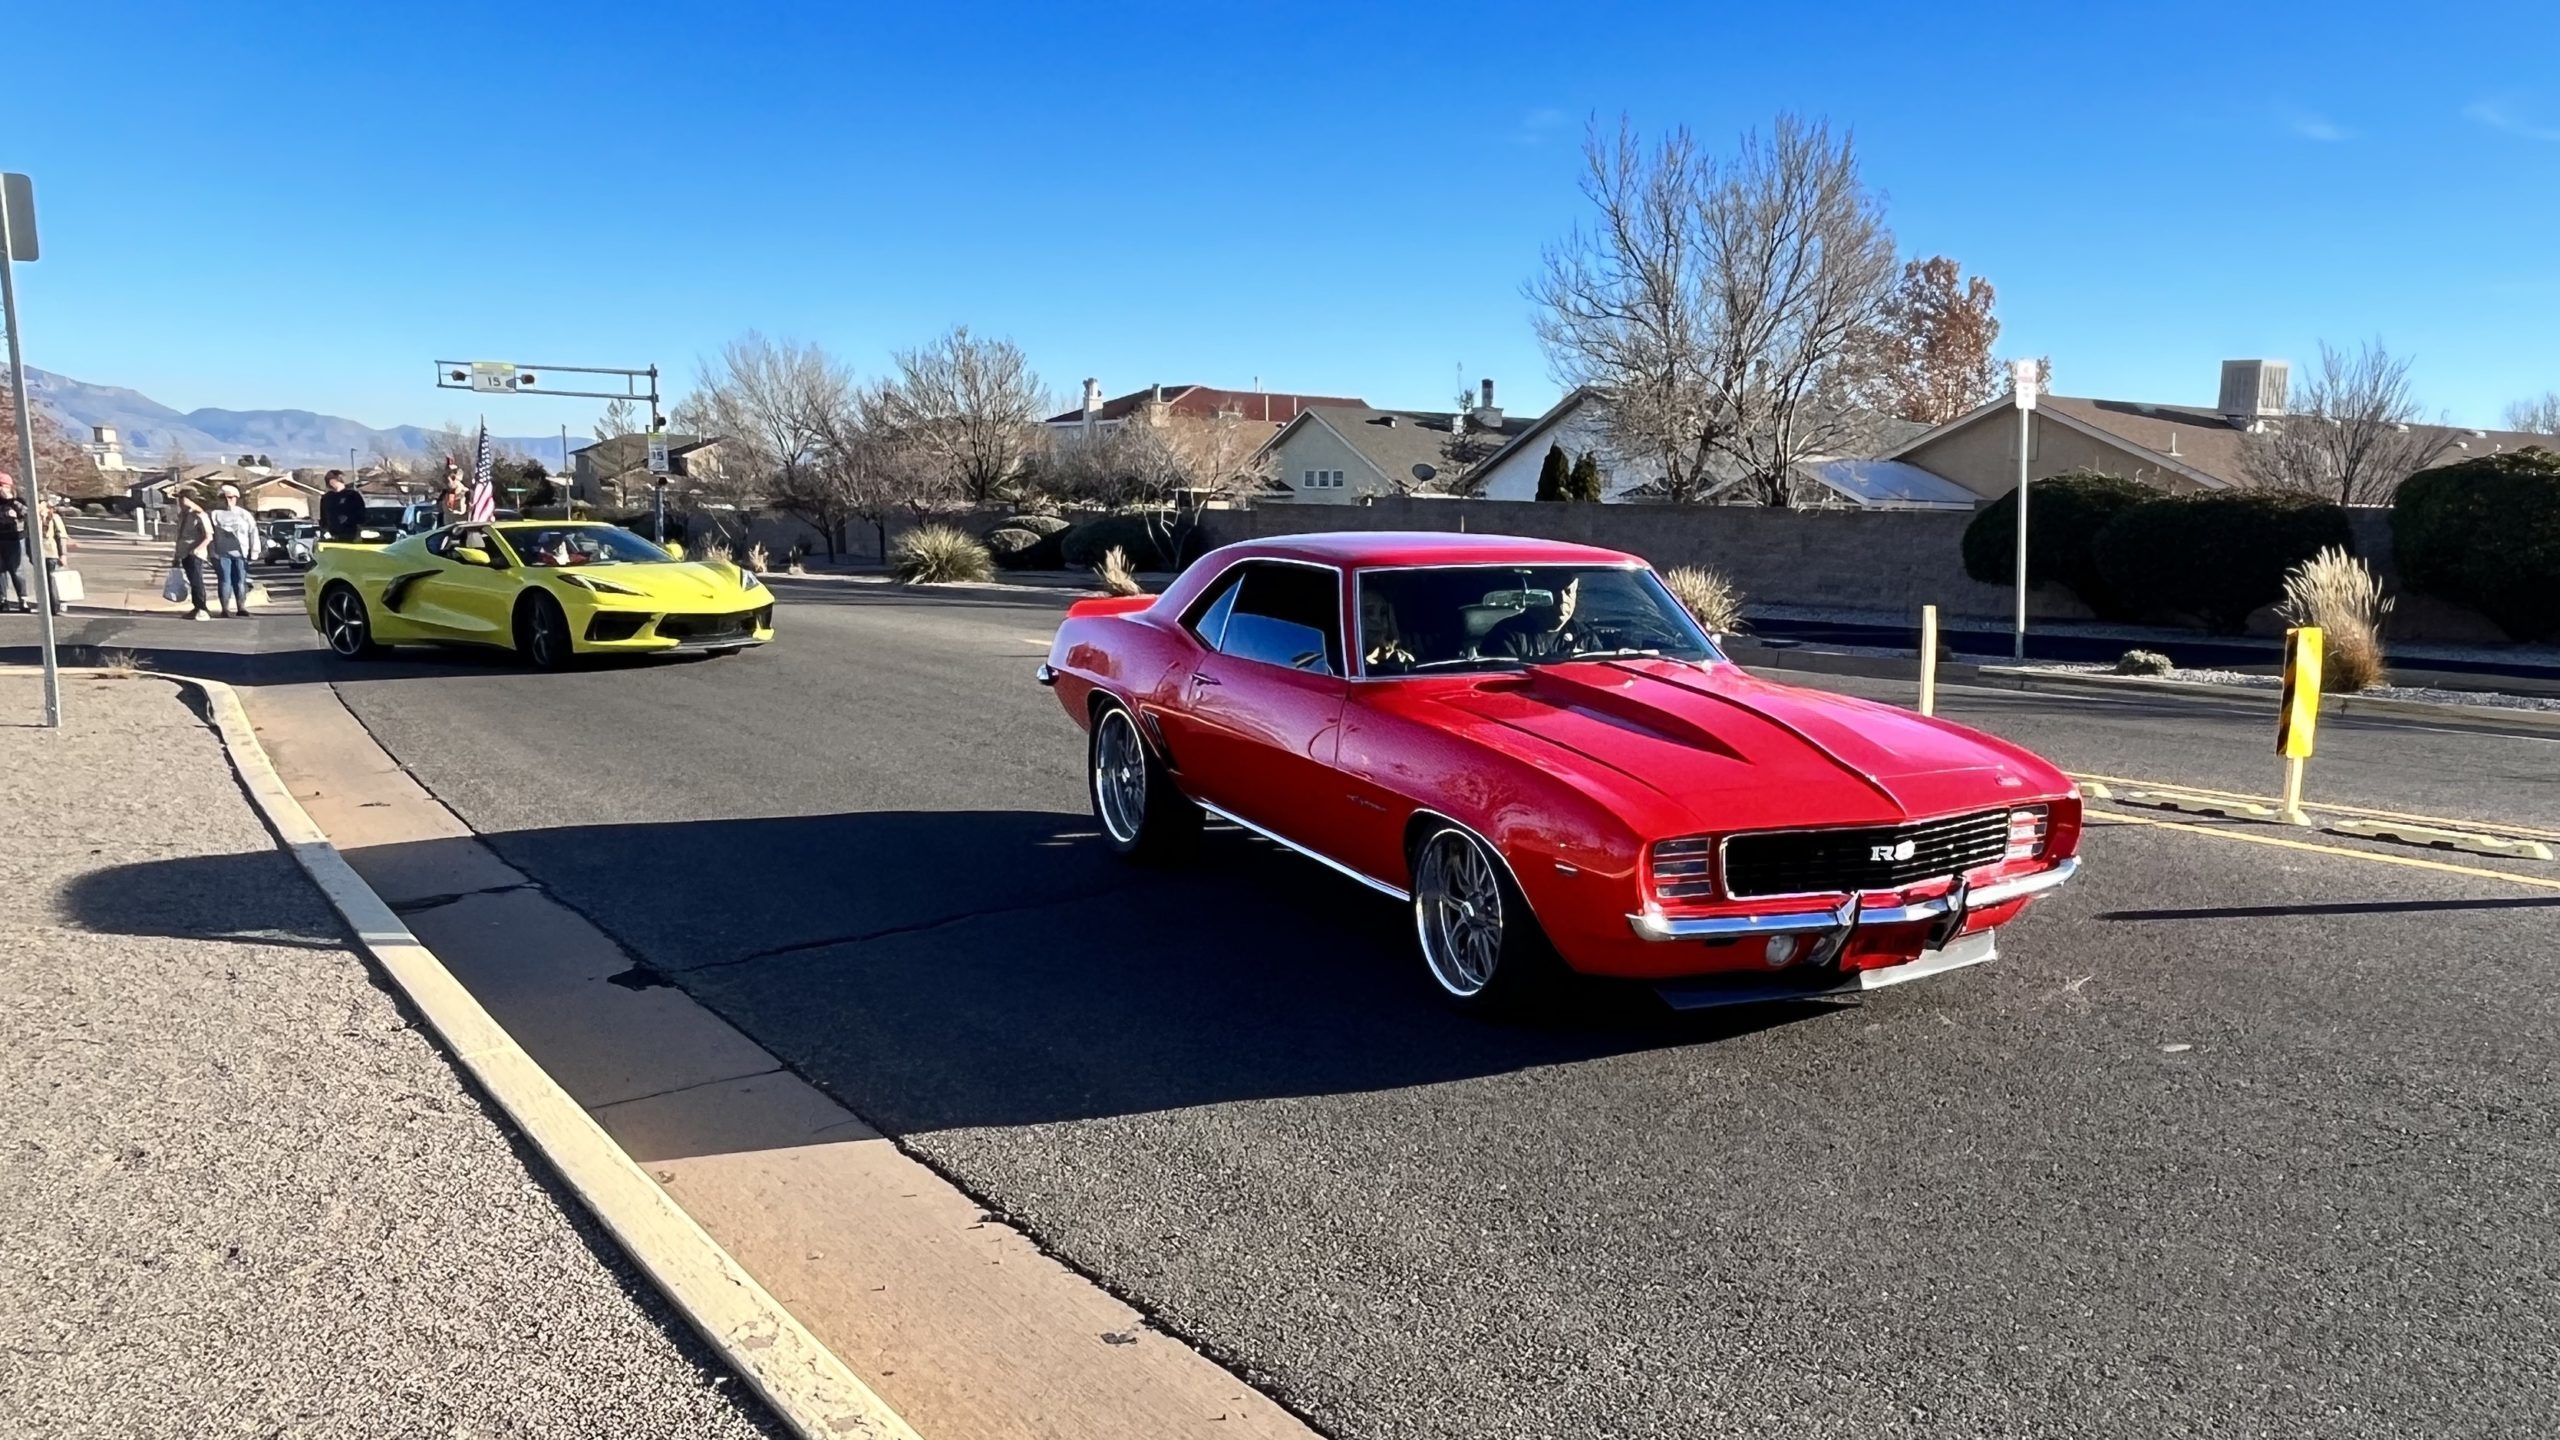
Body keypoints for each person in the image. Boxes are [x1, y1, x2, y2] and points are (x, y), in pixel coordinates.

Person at [1482, 575, 1594, 661]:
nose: (1562, 601)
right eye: (1553, 593)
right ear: (1536, 594)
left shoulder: (1584, 636)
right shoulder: (1506, 637)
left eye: (1568, 592)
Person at [207, 484, 261, 617]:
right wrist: (211, 552)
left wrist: (254, 551)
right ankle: (225, 609)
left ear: (236, 498)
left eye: (230, 497)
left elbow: (253, 533)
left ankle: (241, 607)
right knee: (225, 580)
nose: (227, 500)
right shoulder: (214, 515)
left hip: (241, 554)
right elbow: (209, 535)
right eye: (223, 497)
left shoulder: (244, 515)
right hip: (221, 554)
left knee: (240, 581)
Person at [170, 488, 213, 620]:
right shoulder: (183, 515)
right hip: (183, 552)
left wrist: (197, 549)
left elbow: (209, 536)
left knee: (196, 581)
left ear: (189, 499)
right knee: (191, 580)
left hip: (195, 554)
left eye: (182, 498)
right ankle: (196, 607)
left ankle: (202, 607)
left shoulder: (199, 515)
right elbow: (180, 536)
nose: (180, 502)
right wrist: (176, 555)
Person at [37, 497, 71, 615]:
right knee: (42, 581)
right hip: (38, 555)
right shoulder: (36, 520)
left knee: (51, 581)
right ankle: (46, 605)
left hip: (51, 553)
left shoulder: (54, 518)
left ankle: (55, 606)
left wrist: (63, 554)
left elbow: (61, 537)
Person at [0, 472, 28, 613]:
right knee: (0, 571)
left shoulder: (18, 501)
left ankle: (23, 599)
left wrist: (11, 500)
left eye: (2, 486)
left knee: (17, 570)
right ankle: (2, 600)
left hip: (15, 539)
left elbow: (26, 514)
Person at [319, 469, 365, 541]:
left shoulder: (352, 495)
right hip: (332, 533)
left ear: (338, 479)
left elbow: (361, 513)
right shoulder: (327, 497)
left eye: (332, 479)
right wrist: (324, 529)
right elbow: (323, 515)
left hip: (350, 532)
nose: (330, 482)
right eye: (328, 480)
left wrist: (350, 520)